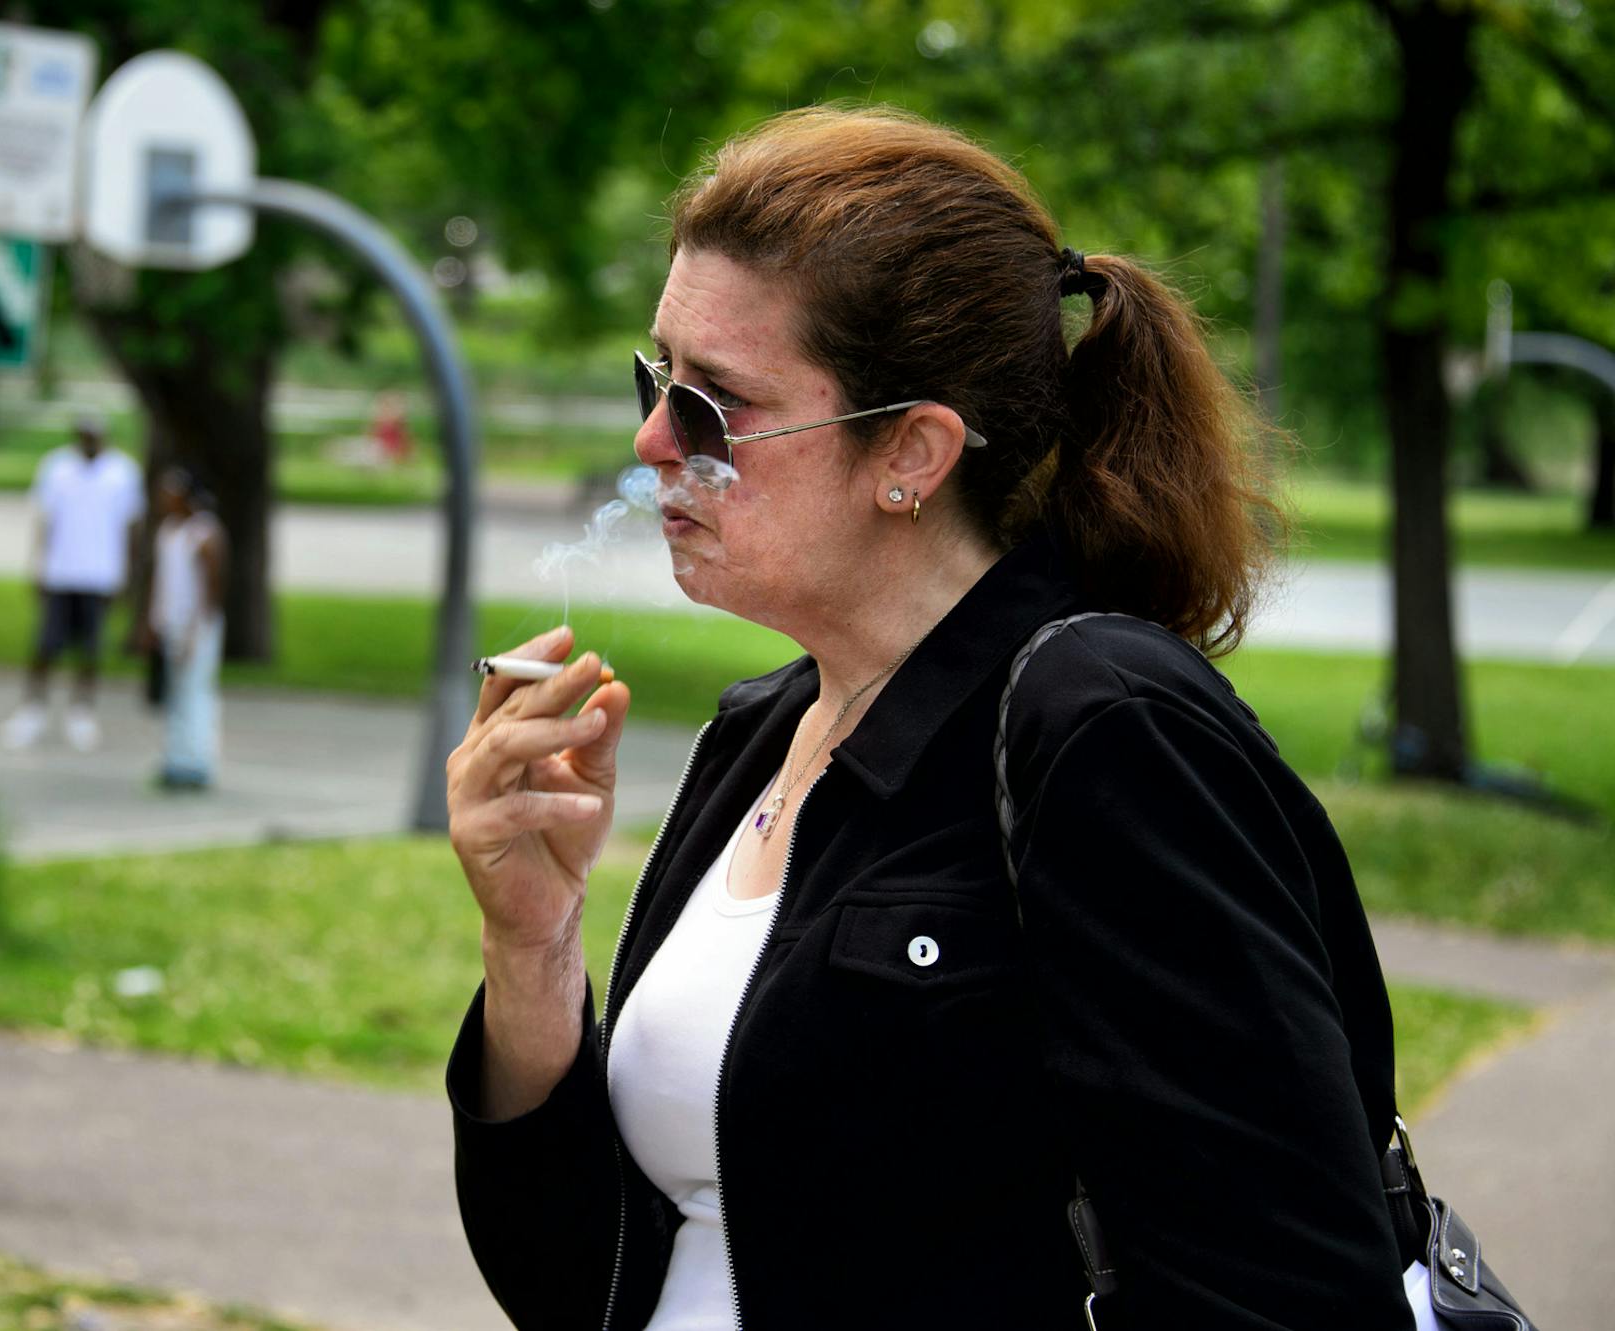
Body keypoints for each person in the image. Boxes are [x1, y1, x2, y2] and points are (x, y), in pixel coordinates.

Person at [444, 108, 1431, 1330]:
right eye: (657, 378)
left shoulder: (1106, 728)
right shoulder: (761, 732)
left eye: (717, 405)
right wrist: (531, 945)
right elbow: (581, 1277)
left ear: (910, 451)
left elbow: (1291, 1288)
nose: (652, 442)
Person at [3, 412, 144, 751]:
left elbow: (131, 528)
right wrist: (38, 566)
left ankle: (82, 712)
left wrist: (127, 575)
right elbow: (44, 521)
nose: (89, 441)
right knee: (46, 645)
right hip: (61, 572)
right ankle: (33, 709)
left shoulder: (122, 472)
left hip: (100, 575)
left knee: (91, 649)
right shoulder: (57, 466)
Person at [135, 468, 228, 789]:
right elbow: (161, 584)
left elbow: (210, 590)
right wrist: (152, 622)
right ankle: (175, 759)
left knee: (196, 693)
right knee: (174, 694)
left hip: (196, 629)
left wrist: (195, 631)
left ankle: (198, 762)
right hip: (170, 625)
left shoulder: (204, 534)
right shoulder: (168, 532)